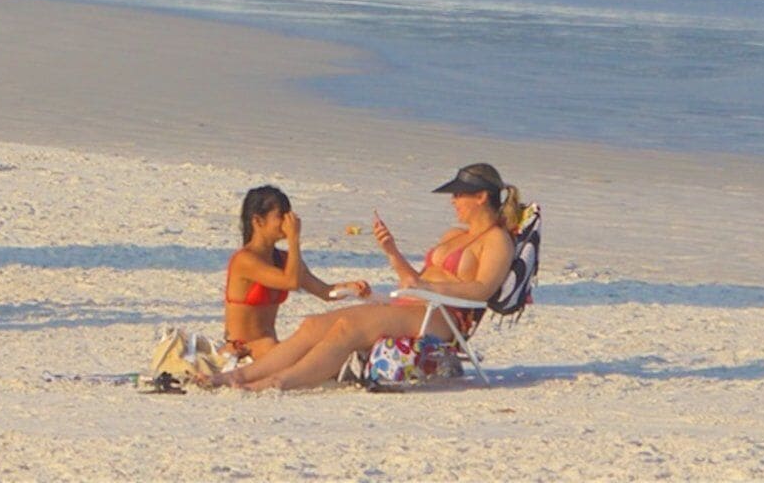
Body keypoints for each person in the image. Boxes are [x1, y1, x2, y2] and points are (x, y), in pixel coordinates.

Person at [198, 162, 522, 391]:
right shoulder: (454, 234)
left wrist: (427, 286)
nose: (454, 201)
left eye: (459, 195)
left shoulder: (496, 240)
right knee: (313, 324)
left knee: (348, 329)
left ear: (481, 197)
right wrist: (392, 252)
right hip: (415, 305)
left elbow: (482, 290)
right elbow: (413, 279)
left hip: (444, 317)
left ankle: (278, 381)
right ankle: (238, 377)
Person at [220, 184, 366, 357]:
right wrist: (294, 239)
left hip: (269, 347)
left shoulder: (284, 259)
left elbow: (325, 292)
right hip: (241, 349)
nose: (288, 221)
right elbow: (291, 282)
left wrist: (352, 288)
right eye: (281, 216)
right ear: (258, 221)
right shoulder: (244, 260)